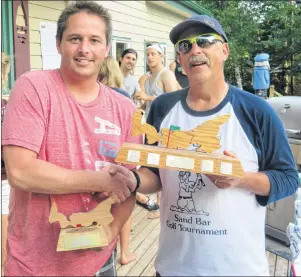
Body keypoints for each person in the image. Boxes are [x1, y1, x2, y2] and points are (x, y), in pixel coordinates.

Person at [127, 14, 299, 275]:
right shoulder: (162, 108)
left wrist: (239, 178)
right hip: (173, 267)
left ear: (225, 50)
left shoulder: (256, 111)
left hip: (238, 268)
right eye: (185, 45)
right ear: (180, 60)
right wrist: (132, 180)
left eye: (205, 41)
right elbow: (154, 173)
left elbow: (288, 179)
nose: (195, 49)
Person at [2, 1, 142, 276]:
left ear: (106, 48)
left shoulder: (125, 109)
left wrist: (108, 234)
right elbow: (20, 172)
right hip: (34, 264)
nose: (84, 49)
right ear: (58, 44)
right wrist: (98, 180)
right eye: (75, 39)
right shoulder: (33, 88)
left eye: (94, 40)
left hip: (100, 263)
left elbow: (130, 182)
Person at [136, 42, 179, 219]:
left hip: (168, 125)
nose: (150, 57)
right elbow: (148, 102)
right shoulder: (149, 76)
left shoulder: (166, 74)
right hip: (153, 123)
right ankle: (161, 204)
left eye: (154, 54)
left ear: (162, 56)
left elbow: (173, 98)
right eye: (148, 54)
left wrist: (148, 97)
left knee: (166, 163)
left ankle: (165, 205)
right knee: (154, 163)